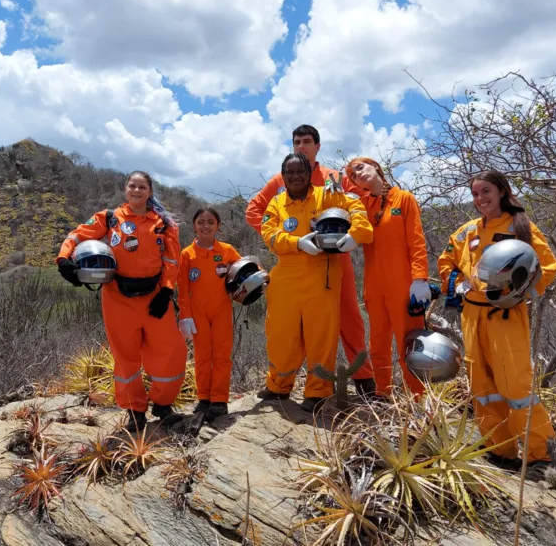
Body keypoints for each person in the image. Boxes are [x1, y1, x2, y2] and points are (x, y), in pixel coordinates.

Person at [437, 169, 556, 468]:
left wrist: (517, 293)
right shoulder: (468, 231)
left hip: (505, 315)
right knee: (482, 386)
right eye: (476, 194)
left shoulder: (521, 228)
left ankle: (542, 454)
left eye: (486, 192)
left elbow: (547, 268)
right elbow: (445, 261)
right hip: (471, 315)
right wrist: (456, 283)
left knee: (515, 385)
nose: (480, 199)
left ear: (502, 191)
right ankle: (500, 449)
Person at [245, 124, 377, 395]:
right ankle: (281, 384)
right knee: (286, 330)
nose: (301, 146)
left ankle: (363, 379)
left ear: (318, 146)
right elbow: (255, 212)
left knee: (347, 320)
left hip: (335, 260)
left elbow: (359, 202)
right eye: (296, 142)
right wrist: (287, 242)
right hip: (294, 262)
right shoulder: (280, 182)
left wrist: (354, 235)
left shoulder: (333, 178)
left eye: (307, 141)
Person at [56, 171, 187, 432]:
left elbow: (172, 261)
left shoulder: (164, 223)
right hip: (118, 299)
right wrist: (63, 259)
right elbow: (77, 235)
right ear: (125, 189)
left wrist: (166, 291)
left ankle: (162, 405)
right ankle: (135, 410)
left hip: (154, 299)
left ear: (150, 191)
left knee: (171, 351)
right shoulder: (110, 218)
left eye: (142, 187)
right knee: (125, 358)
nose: (136, 190)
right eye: (132, 186)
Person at [344, 157, 432, 398]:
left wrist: (420, 278)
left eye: (360, 167)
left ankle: (419, 400)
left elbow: (416, 241)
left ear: (376, 167)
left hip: (403, 286)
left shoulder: (403, 199)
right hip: (374, 288)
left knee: (409, 345)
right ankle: (383, 394)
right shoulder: (361, 206)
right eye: (352, 175)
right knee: (378, 347)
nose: (358, 174)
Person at [177, 207, 242, 422]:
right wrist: (184, 315)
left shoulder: (226, 251)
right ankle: (204, 397)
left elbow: (244, 269)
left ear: (218, 226)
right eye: (201, 222)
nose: (206, 226)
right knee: (202, 356)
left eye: (210, 222)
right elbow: (182, 286)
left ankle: (220, 400)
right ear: (194, 226)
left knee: (222, 356)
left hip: (222, 310)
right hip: (197, 312)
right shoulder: (187, 254)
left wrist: (259, 275)